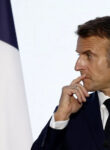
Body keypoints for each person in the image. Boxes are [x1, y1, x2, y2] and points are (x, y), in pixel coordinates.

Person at [31, 16, 110, 150]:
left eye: (88, 56)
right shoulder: (71, 112)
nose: (77, 66)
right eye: (79, 56)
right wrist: (61, 117)